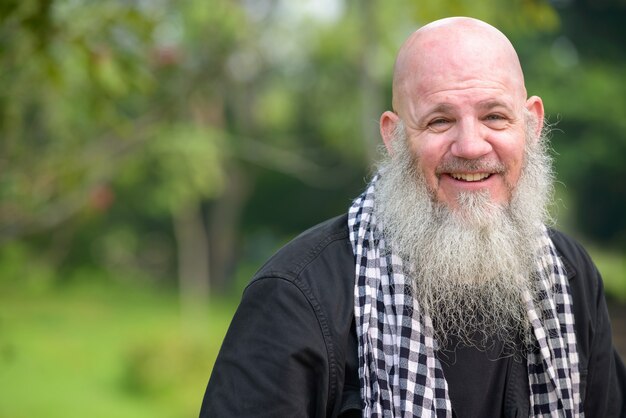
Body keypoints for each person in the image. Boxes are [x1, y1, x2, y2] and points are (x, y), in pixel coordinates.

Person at [199, 17, 625, 417]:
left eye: (495, 116)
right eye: (440, 121)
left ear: (531, 123)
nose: (472, 146)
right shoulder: (295, 297)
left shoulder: (568, 276)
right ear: (394, 135)